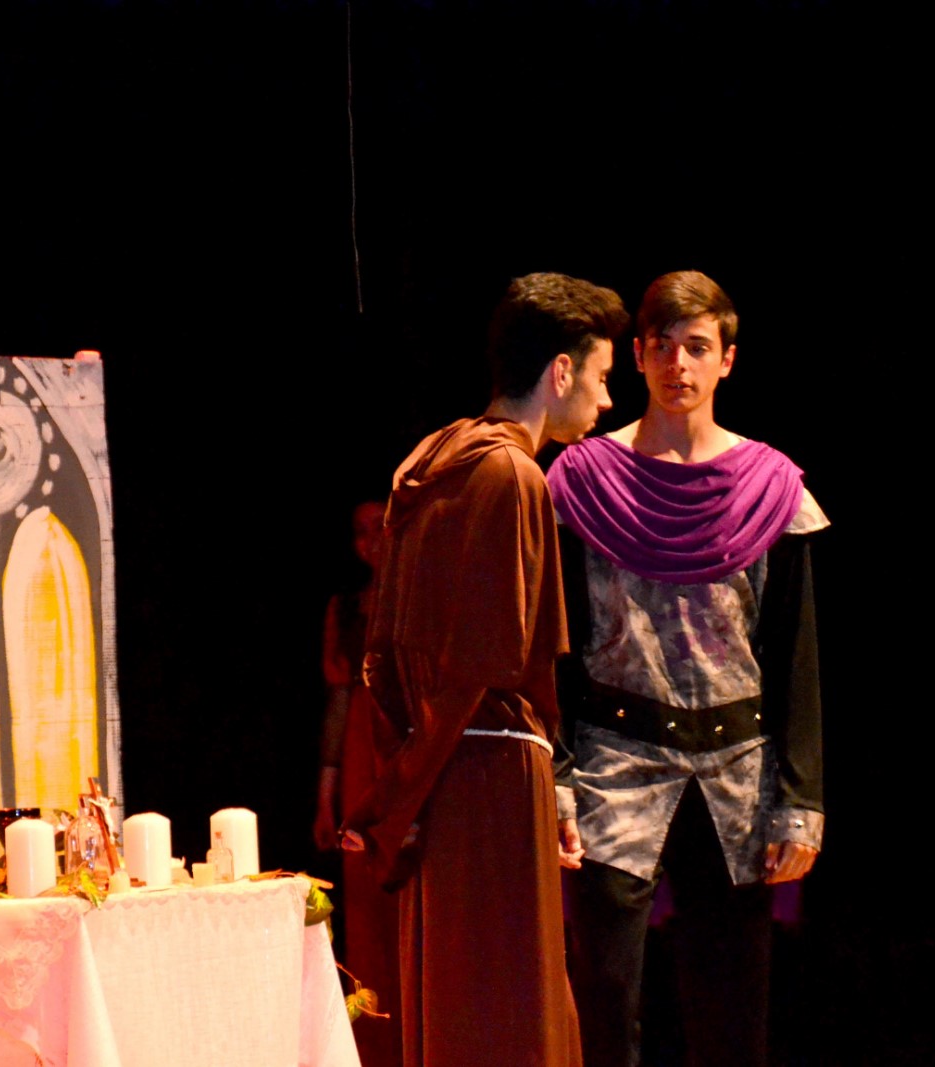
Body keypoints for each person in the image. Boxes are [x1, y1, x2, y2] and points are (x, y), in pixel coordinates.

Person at [341, 271, 630, 1067]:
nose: (606, 401)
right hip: (492, 773)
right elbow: (486, 664)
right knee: (511, 998)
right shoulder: (510, 475)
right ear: (561, 371)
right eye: (602, 376)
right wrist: (401, 795)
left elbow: (389, 655)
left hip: (443, 765)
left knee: (462, 990)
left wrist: (404, 782)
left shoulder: (430, 464)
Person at [547, 270, 827, 1067]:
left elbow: (795, 652)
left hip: (736, 770)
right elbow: (554, 641)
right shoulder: (585, 483)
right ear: (637, 354)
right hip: (613, 762)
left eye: (697, 347)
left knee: (732, 1009)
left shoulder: (770, 487)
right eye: (663, 346)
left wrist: (801, 797)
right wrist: (557, 773)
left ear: (727, 359)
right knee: (606, 1000)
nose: (679, 365)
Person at [313, 498, 403, 1067]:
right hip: (361, 758)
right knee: (366, 906)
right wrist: (325, 802)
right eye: (360, 530)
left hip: (412, 748)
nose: (371, 538)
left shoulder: (425, 597)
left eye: (381, 525)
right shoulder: (346, 608)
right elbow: (339, 705)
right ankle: (377, 1045)